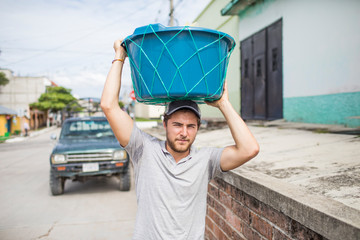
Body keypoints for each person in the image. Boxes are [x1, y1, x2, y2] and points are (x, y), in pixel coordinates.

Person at [101, 39, 259, 240]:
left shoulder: (206, 160)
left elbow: (249, 149)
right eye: (177, 125)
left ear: (197, 129)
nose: (184, 132)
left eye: (190, 126)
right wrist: (120, 56)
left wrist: (223, 104)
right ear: (165, 124)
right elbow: (108, 105)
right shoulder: (143, 149)